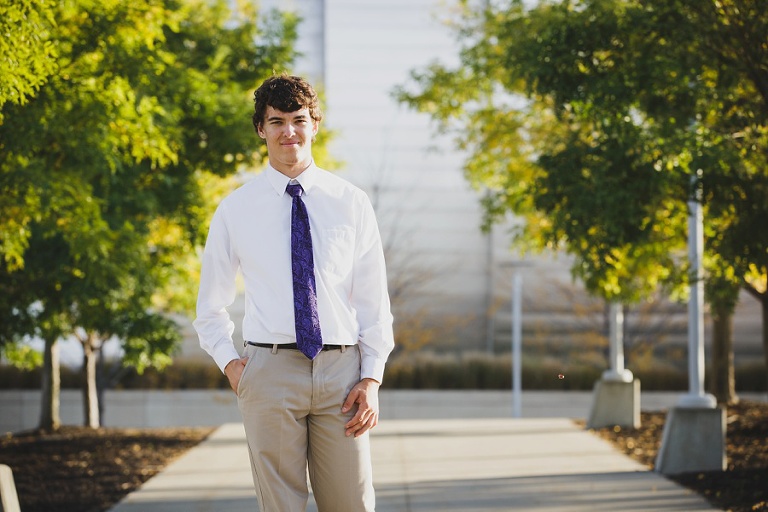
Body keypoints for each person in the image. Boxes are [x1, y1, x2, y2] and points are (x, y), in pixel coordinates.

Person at [193, 74, 395, 512]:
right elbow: (210, 305)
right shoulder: (235, 209)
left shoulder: (351, 202)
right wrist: (233, 367)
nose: (289, 131)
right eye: (277, 121)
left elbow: (374, 301)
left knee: (353, 504)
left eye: (299, 120)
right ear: (261, 129)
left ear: (315, 125)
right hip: (269, 373)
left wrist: (372, 376)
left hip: (343, 375)